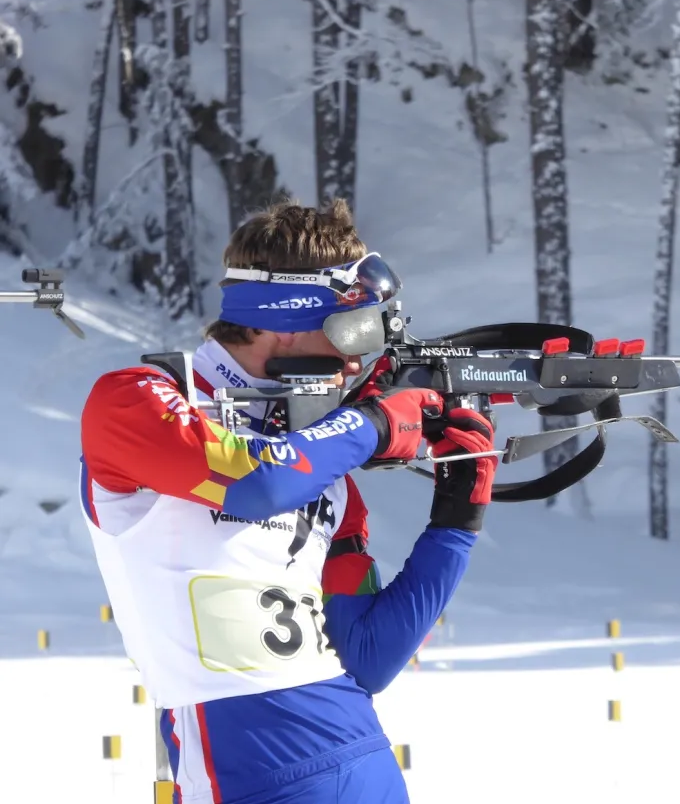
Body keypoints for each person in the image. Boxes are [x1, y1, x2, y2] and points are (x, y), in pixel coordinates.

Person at [78, 198, 498, 804]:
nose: (358, 357)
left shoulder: (324, 472)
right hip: (244, 766)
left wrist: (457, 520)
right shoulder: (135, 400)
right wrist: (376, 423)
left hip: (362, 756)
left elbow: (370, 657)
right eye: (348, 329)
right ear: (278, 317)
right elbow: (255, 483)